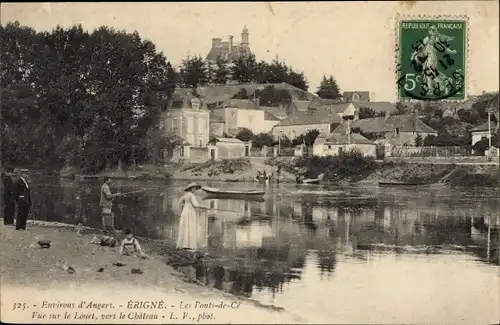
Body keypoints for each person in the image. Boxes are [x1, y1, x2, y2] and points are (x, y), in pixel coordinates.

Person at [176, 182, 207, 251]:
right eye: (194, 188)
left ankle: (184, 244)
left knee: (185, 226)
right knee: (190, 225)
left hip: (185, 211)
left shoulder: (185, 195)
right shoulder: (191, 195)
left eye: (196, 188)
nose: (195, 190)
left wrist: (183, 205)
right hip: (190, 212)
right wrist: (203, 206)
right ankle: (188, 245)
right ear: (191, 188)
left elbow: (179, 201)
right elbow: (196, 205)